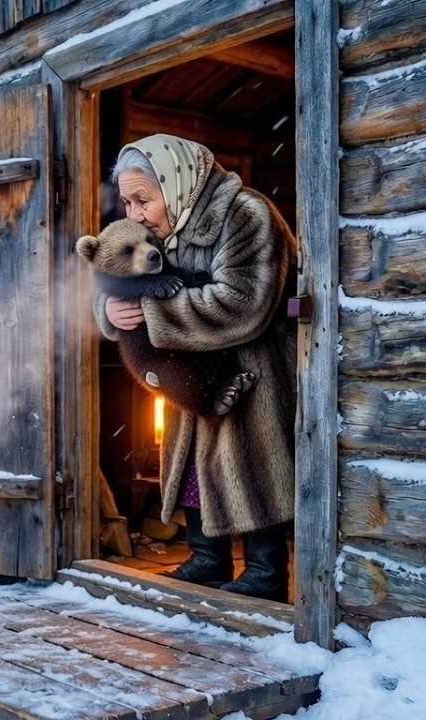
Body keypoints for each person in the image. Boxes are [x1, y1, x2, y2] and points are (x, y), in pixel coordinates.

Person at [92, 134, 298, 603]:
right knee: (192, 469)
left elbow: (243, 303)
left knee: (251, 467)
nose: (134, 214)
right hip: (191, 370)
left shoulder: (246, 215)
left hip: (253, 369)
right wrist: (109, 309)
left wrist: (152, 312)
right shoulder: (162, 224)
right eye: (127, 202)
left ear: (177, 181)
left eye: (143, 199)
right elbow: (113, 267)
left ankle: (266, 570)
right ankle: (208, 557)